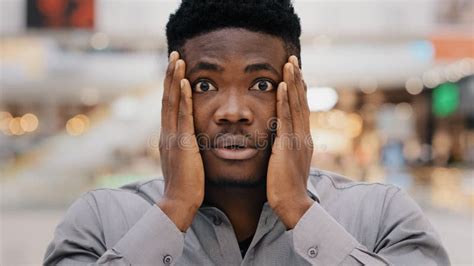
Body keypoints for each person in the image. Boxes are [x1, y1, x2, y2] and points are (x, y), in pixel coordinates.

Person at [44, 1, 450, 265]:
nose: (233, 112)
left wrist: (298, 208)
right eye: (205, 84)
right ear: (172, 92)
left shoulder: (381, 217)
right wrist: (174, 209)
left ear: (296, 94)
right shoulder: (99, 221)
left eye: (261, 85)